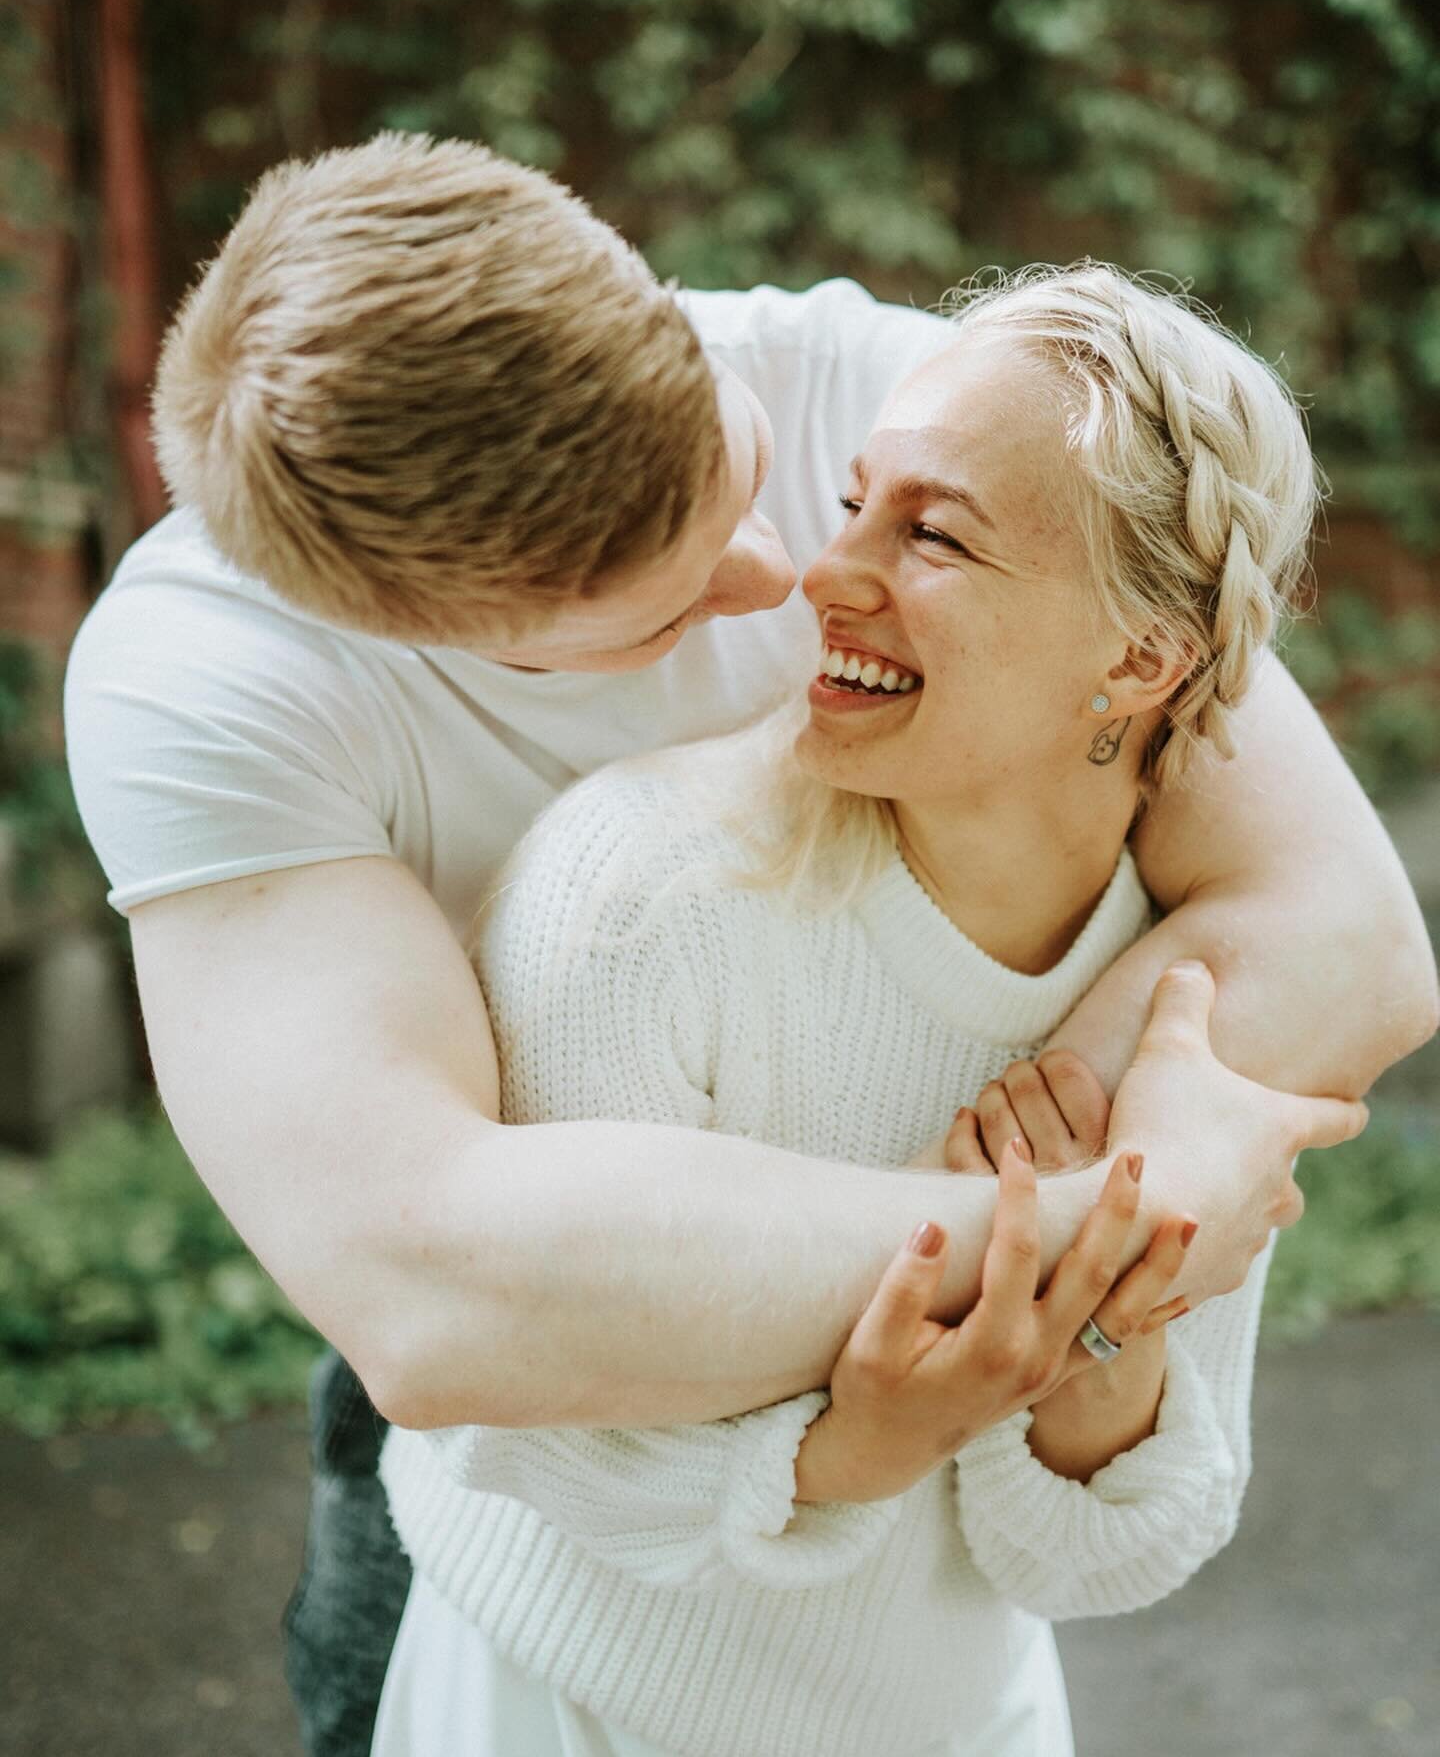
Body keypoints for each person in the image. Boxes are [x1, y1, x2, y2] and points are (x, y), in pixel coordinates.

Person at [60, 137, 1436, 1757]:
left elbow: (1342, 939)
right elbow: (443, 1290)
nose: (785, 574)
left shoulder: (910, 392)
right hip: (552, 1521)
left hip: (924, 1655)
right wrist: (1102, 1229)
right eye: (672, 606)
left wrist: (1075, 1134)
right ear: (429, 631)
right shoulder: (211, 686)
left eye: (754, 469)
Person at [372, 265, 1383, 1757]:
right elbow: (520, 1435)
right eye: (857, 502)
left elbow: (1103, 1554)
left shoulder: (1182, 997)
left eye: (933, 535)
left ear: (1141, 657)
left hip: (957, 1724)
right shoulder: (640, 893)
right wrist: (862, 1443)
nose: (823, 572)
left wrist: (1112, 1329)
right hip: (571, 1706)